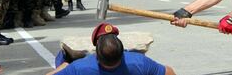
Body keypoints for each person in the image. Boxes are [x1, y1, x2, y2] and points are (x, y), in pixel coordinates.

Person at [46, 23, 176, 75]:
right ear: (123, 51)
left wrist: (64, 66)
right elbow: (169, 72)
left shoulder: (80, 67)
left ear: (97, 53)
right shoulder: (138, 62)